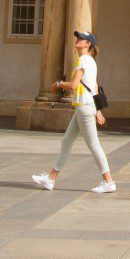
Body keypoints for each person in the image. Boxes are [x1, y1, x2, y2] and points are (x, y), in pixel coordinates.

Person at [32, 30, 116, 194]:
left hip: (84, 107)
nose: (77, 40)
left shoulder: (83, 60)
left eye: (81, 39)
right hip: (84, 107)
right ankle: (51, 178)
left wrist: (58, 83)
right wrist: (97, 110)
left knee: (93, 144)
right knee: (67, 142)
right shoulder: (90, 61)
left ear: (88, 44)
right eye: (77, 38)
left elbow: (72, 85)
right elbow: (95, 87)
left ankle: (109, 181)